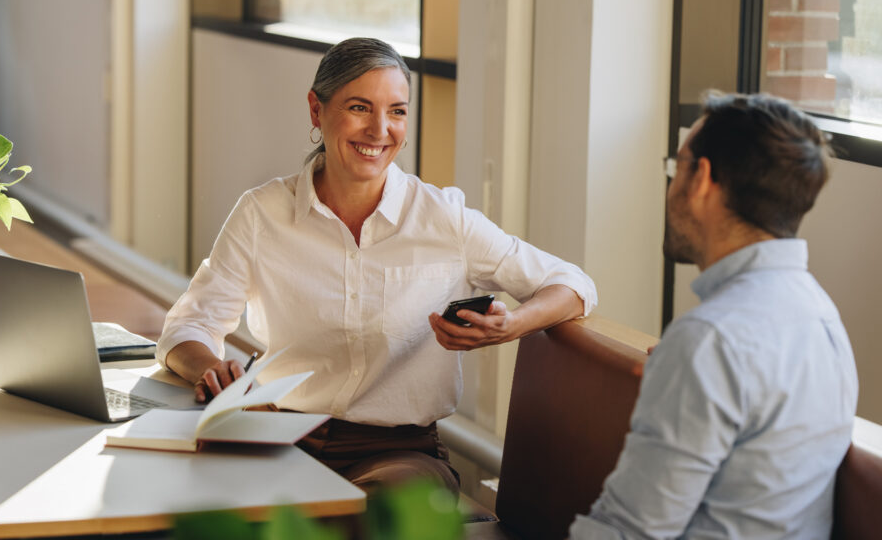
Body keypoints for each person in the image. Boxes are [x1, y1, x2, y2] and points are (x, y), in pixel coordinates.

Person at [156, 37, 597, 494]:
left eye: (398, 111)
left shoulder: (443, 218)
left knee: (378, 517)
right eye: (360, 108)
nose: (380, 130)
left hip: (398, 455)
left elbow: (573, 284)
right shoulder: (261, 213)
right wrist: (211, 367)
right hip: (276, 438)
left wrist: (513, 324)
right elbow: (187, 326)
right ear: (316, 110)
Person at [570, 93, 858, 539]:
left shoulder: (710, 340)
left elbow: (628, 532)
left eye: (676, 168)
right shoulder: (823, 318)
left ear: (701, 179)